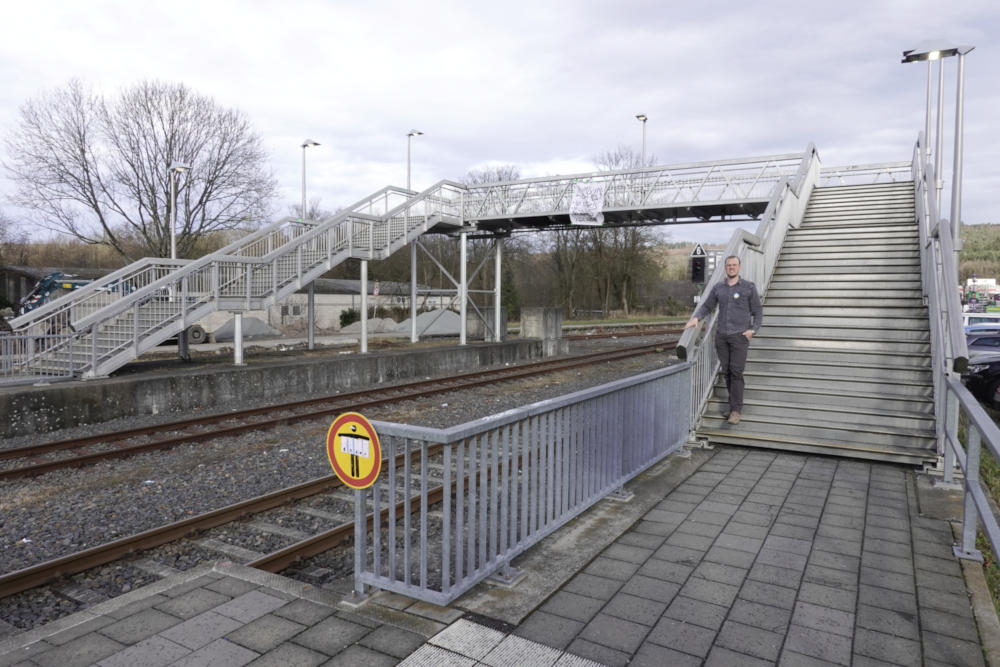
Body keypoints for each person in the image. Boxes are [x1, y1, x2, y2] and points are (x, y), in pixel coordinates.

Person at [684, 255, 762, 425]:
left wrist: (753, 330)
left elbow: (757, 311)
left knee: (736, 372)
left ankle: (736, 410)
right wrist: (697, 318)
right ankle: (733, 406)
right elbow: (707, 305)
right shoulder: (718, 287)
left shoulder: (748, 287)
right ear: (725, 267)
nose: (731, 267)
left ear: (739, 267)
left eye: (734, 265)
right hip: (721, 336)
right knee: (726, 372)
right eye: (728, 265)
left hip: (740, 337)